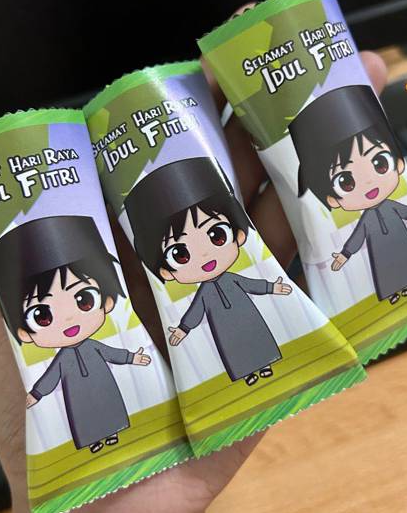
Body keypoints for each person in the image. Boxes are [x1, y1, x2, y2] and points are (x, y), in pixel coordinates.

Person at [0, 24, 389, 513]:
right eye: (42, 314)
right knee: (103, 410)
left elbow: (217, 299)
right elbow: (74, 370)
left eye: (218, 234)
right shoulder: (73, 350)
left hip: (241, 320)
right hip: (97, 404)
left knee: (246, 346)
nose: (67, 318)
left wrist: (263, 289)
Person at [0, 215, 152, 454]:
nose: (68, 319)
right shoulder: (63, 359)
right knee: (84, 414)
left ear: (106, 302)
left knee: (108, 404)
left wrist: (132, 358)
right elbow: (51, 377)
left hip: (102, 383)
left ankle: (113, 431)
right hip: (77, 394)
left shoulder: (94, 346)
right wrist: (36, 394)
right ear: (24, 333)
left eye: (83, 300)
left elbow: (111, 353)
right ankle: (93, 440)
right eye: (42, 315)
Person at [124, 158, 292, 387]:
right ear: (166, 272)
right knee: (232, 348)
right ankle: (247, 374)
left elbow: (251, 284)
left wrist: (273, 287)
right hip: (224, 329)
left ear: (239, 235)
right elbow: (195, 311)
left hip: (248, 317)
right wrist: (183, 329)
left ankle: (266, 364)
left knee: (258, 337)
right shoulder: (204, 293)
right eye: (180, 254)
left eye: (216, 235)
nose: (204, 255)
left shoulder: (232, 279)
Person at [289, 84, 407, 305]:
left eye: (379, 163)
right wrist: (345, 254)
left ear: (399, 164)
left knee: (405, 261)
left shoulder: (391, 206)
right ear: (332, 199)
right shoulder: (367, 219)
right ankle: (392, 292)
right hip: (380, 251)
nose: (368, 182)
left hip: (401, 242)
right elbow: (357, 237)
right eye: (346, 182)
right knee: (384, 268)